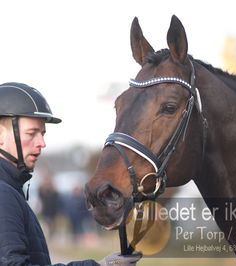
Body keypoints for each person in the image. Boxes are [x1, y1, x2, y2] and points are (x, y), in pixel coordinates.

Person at [0, 82, 141, 265]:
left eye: (42, 133)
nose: (42, 143)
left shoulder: (10, 189)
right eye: (31, 133)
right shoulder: (3, 194)